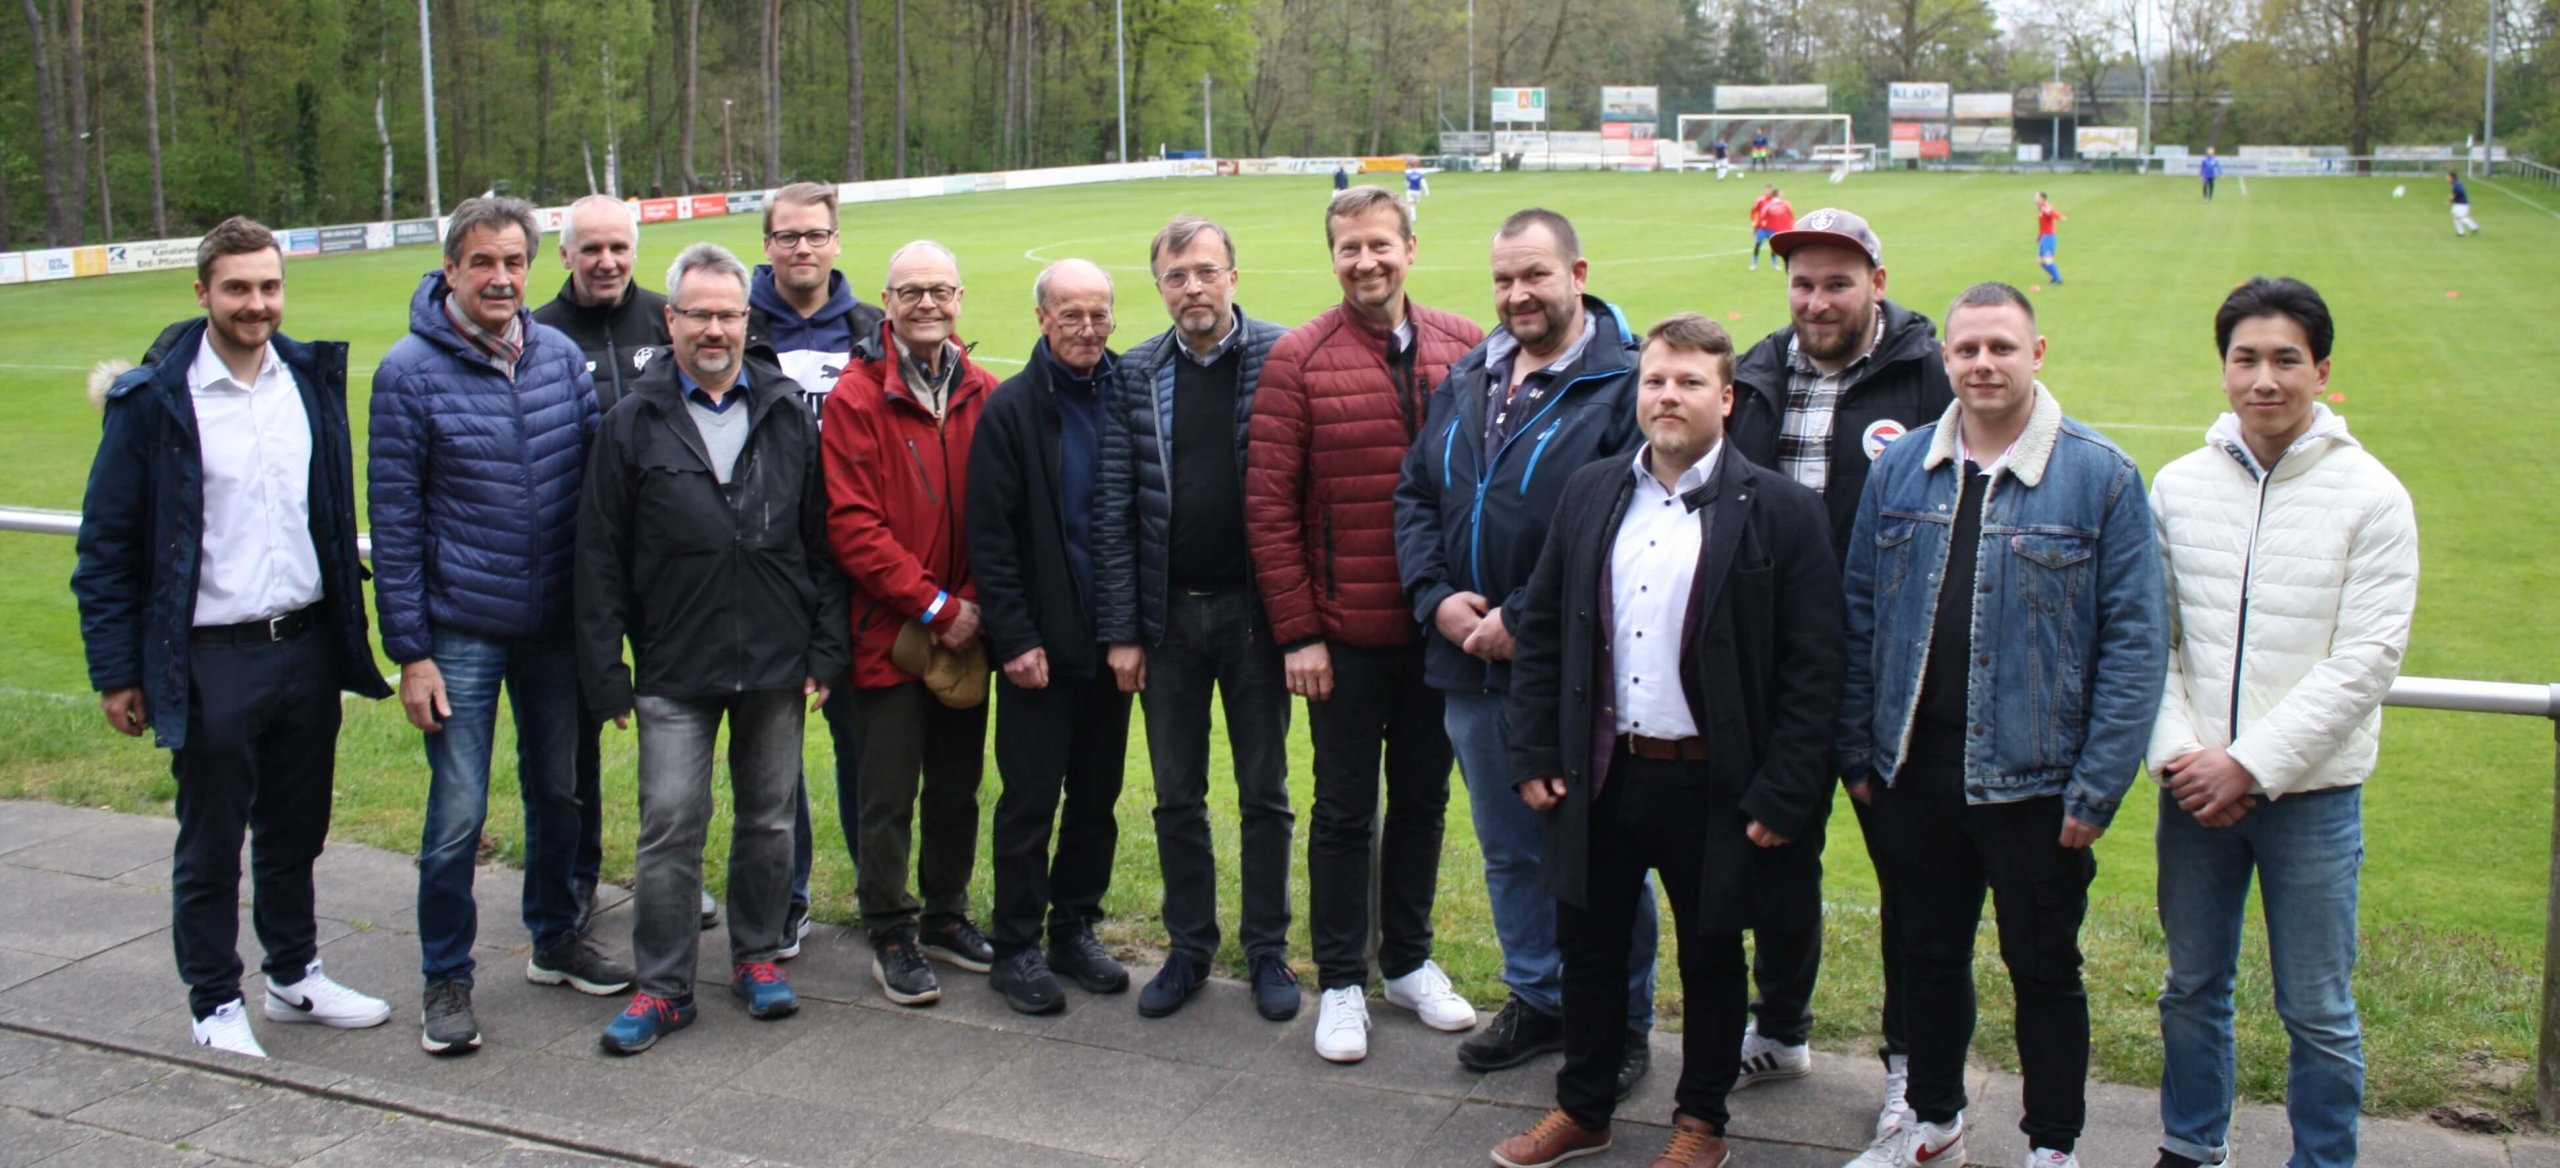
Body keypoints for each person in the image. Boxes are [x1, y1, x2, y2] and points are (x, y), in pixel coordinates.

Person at [1491, 313, 1844, 1168]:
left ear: (1725, 398)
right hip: (1603, 774)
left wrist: (1784, 794)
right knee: (1590, 948)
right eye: (1655, 380)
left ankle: (1701, 1123)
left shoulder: (1784, 513)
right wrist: (1535, 752)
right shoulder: (1592, 491)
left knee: (1711, 954)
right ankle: (1584, 1108)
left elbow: (1816, 668)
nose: (1668, 396)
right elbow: (1542, 631)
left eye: (1689, 382)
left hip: (1713, 784)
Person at [1837, 283, 2166, 1168]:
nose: (1983, 364)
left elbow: (2136, 645)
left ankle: (2051, 1145)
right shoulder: (1901, 466)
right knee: (1929, 958)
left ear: (2038, 353)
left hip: (2036, 782)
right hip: (1914, 772)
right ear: (1945, 358)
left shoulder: (2100, 476)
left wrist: (2096, 788)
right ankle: (1933, 1119)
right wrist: (1859, 752)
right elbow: (1860, 614)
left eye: (2001, 348)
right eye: (1967, 349)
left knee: (2045, 972)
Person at [73, 217, 396, 1059]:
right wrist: (116, 672)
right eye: (238, 289)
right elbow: (105, 545)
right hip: (211, 654)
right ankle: (215, 1000)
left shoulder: (307, 381)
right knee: (212, 839)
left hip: (306, 644)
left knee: (297, 828)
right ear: (203, 293)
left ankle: (294, 975)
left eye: (269, 287)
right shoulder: (153, 403)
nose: (257, 304)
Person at [2147, 278, 2418, 1168]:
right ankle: (2191, 1148)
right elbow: (2156, 640)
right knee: (2191, 989)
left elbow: (2366, 661)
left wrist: (2249, 765)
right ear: (2224, 368)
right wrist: (2187, 757)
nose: (2264, 379)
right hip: (2192, 793)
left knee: (2316, 1007)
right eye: (2246, 358)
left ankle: (2323, 1160)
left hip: (2312, 798)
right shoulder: (2178, 487)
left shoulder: (2374, 496)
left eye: (2285, 360)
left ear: (2322, 371)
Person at [1392, 208, 1658, 1096]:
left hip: (1577, 671)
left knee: (1598, 852)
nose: (1517, 295)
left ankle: (1618, 1023)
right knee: (1508, 849)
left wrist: (1526, 614)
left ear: (1577, 271)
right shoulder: (1472, 372)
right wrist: (1437, 601)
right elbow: (1418, 494)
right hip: (1468, 660)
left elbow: (1627, 525)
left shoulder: (1626, 383)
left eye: (1535, 276)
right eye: (1504, 279)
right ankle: (1542, 999)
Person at [370, 196, 631, 1057]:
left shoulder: (556, 357)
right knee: (457, 810)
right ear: (451, 270)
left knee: (560, 791)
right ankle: (447, 976)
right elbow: (396, 522)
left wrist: (603, 620)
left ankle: (555, 936)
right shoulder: (407, 372)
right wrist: (412, 653)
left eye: (513, 262)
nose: (499, 278)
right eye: (482, 263)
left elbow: (597, 500)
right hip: (463, 630)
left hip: (553, 625)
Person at [575, 242, 849, 1054]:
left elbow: (822, 545)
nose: (716, 328)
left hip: (773, 660)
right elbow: (598, 556)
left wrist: (825, 652)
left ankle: (757, 957)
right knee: (670, 825)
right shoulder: (633, 421)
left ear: (746, 321)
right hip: (673, 665)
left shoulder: (787, 415)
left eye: (730, 314)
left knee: (768, 823)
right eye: (699, 314)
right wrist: (605, 672)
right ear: (672, 321)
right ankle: (663, 986)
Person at [1724, 206, 1952, 1127]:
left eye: (1837, 283)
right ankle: (1781, 1025)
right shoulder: (1755, 372)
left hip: (1888, 672)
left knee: (1909, 875)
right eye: (1804, 282)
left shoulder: (1927, 379)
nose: (1817, 301)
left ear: (1877, 286)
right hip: (1774, 666)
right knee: (1775, 850)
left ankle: (1912, 1062)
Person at [1247, 188, 1485, 1063]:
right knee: (1346, 811)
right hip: (1344, 637)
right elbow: (1269, 507)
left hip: (1440, 634)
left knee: (1423, 803)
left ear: (1410, 248)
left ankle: (1410, 962)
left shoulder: (1467, 347)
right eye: (1349, 249)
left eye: (1379, 245)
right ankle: (1342, 979)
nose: (1365, 262)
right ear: (1333, 257)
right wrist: (1299, 631)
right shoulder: (1299, 359)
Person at [1093, 215, 1299, 1023]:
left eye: (1206, 272)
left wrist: (1295, 619)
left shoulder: (1283, 355)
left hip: (1254, 618)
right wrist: (1122, 630)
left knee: (1265, 791)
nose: (1193, 289)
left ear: (1233, 277)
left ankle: (1270, 950)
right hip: (1168, 621)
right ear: (1160, 287)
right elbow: (1116, 508)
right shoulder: (1136, 372)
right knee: (1177, 794)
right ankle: (1188, 948)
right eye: (1176, 277)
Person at [823, 240, 1001, 1008]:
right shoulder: (856, 396)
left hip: (969, 627)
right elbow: (854, 526)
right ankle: (890, 926)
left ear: (959, 297)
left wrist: (971, 605)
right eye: (910, 292)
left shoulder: (985, 390)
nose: (927, 303)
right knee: (887, 791)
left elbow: (1000, 508)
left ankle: (946, 913)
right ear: (886, 303)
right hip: (891, 631)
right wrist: (935, 605)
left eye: (940, 290)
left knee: (958, 788)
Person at [530, 194, 704, 936]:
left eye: (618, 248)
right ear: (564, 253)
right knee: (574, 750)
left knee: (675, 739)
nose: (605, 262)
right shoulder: (537, 334)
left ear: (636, 250)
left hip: (674, 575)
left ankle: (671, 880)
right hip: (583, 568)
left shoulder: (671, 320)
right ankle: (577, 881)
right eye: (589, 249)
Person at [967, 258, 1137, 1015]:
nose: (1087, 327)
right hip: (1039, 647)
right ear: (1041, 319)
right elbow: (991, 539)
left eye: (1098, 313)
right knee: (1030, 802)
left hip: (1115, 644)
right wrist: (1014, 638)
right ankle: (1016, 946)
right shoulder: (1011, 409)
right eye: (1071, 314)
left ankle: (1075, 928)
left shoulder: (1132, 390)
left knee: (1096, 799)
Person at [754, 181, 890, 951]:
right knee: (772, 760)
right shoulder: (737, 326)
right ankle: (786, 899)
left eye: (815, 235)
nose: (802, 248)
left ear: (837, 241)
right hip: (767, 572)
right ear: (767, 244)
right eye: (787, 236)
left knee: (862, 752)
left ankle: (881, 904)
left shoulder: (873, 329)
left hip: (856, 575)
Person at [1749, 186, 1794, 271]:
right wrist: (1755, 226)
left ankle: (1774, 264)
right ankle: (1754, 264)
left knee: (1773, 247)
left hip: (1773, 229)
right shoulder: (1762, 201)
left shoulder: (1780, 203)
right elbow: (1757, 213)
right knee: (1758, 245)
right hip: (1762, 228)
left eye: (1769, 190)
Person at [2036, 192, 2067, 286]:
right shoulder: (2041, 208)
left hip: (2049, 237)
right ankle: (2054, 277)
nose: (2035, 199)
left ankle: (2058, 279)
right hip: (2044, 237)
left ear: (2042, 199)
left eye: (2037, 197)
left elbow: (2053, 213)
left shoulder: (2046, 207)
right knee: (2041, 261)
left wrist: (2060, 217)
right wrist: (2040, 235)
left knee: (2047, 259)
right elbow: (2043, 223)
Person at [2448, 170, 2484, 236]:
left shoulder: (2457, 184)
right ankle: (2461, 232)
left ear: (2451, 177)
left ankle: (2475, 226)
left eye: (2448, 177)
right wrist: (2451, 199)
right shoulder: (2456, 183)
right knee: (2455, 217)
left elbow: (2459, 192)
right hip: (2458, 204)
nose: (2447, 178)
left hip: (2461, 204)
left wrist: (2452, 198)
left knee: (2461, 217)